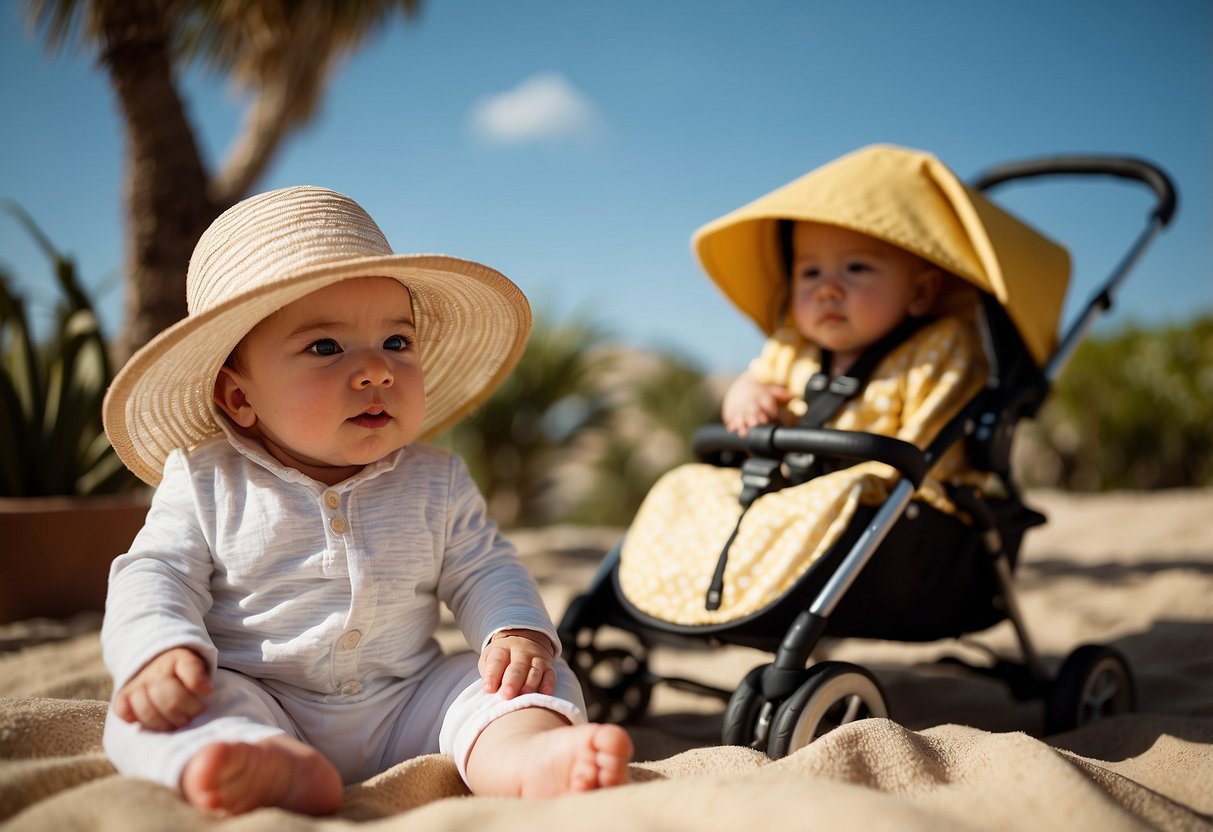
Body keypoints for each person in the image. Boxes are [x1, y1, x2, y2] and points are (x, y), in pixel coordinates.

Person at [99, 186, 632, 816]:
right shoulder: (205, 481)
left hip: (407, 701)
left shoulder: (437, 479)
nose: (376, 370)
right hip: (262, 694)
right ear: (239, 398)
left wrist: (512, 631)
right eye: (326, 347)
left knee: (518, 682)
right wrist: (161, 651)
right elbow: (156, 572)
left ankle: (524, 755)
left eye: (397, 344)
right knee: (143, 715)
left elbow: (484, 566)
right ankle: (256, 759)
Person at [618, 144, 1070, 626]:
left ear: (920, 292)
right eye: (810, 272)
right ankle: (678, 602)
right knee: (684, 483)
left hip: (892, 522)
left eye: (856, 268)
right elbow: (758, 379)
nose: (828, 288)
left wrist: (873, 475)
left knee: (838, 492)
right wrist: (745, 396)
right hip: (789, 495)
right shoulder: (793, 346)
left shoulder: (937, 352)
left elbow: (926, 451)